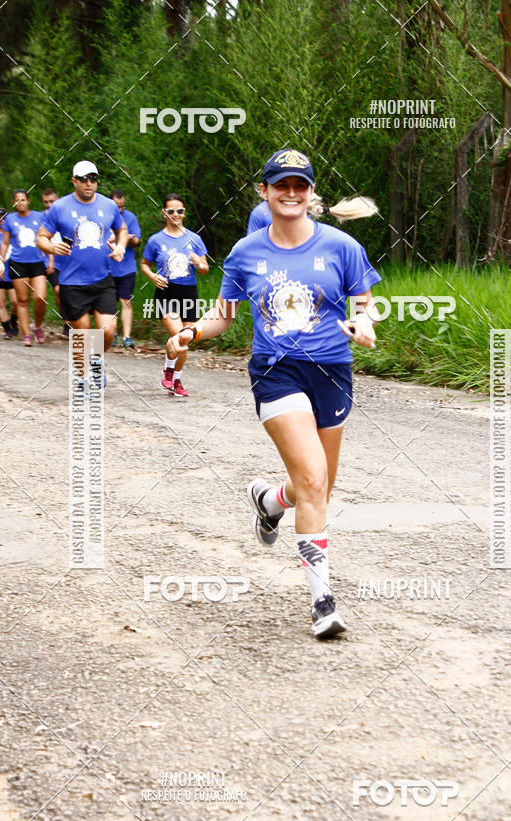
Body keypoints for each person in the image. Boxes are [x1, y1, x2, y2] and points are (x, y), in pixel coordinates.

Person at [167, 149, 381, 639]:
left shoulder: (342, 246)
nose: (290, 193)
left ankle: (270, 500)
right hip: (275, 371)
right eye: (280, 185)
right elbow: (224, 315)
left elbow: (364, 301)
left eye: (299, 185)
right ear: (264, 191)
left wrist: (365, 324)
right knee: (312, 476)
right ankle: (322, 600)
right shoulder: (245, 253)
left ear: (310, 193)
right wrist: (190, 334)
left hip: (332, 371)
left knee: (317, 488)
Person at [36, 160, 127, 394]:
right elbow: (41, 237)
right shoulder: (60, 207)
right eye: (84, 179)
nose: (89, 183)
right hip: (72, 282)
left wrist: (120, 247)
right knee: (82, 334)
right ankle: (81, 378)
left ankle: (96, 361)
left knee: (107, 330)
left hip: (103, 279)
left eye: (93, 178)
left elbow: (122, 230)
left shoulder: (108, 206)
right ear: (74, 181)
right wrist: (52, 248)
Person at [140, 193, 208, 398]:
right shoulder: (155, 240)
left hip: (189, 292)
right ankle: (170, 371)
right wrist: (152, 277)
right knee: (179, 336)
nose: (176, 214)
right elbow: (144, 264)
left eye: (180, 211)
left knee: (185, 341)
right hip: (166, 292)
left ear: (184, 213)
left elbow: (205, 269)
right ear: (164, 213)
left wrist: (199, 263)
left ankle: (175, 377)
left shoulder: (194, 239)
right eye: (171, 211)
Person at [0, 190, 47, 346]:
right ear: (14, 202)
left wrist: (50, 258)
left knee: (40, 297)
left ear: (28, 201)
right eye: (17, 200)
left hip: (37, 262)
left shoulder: (39, 216)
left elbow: (46, 237)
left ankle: (37, 326)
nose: (20, 203)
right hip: (17, 264)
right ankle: (27, 334)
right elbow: (5, 243)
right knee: (22, 300)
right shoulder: (10, 220)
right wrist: (0, 263)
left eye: (23, 200)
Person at [109, 190, 141, 348]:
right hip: (107, 267)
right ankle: (111, 333)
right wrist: (119, 237)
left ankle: (127, 337)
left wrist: (131, 239)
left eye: (122, 206)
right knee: (109, 304)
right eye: (117, 207)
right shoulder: (103, 217)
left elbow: (137, 241)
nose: (120, 210)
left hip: (127, 267)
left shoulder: (131, 217)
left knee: (126, 301)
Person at [41, 187, 69, 337]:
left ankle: (77, 321)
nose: (49, 205)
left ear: (58, 200)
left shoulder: (68, 212)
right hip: (52, 261)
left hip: (70, 260)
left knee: (72, 292)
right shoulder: (42, 217)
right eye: (46, 202)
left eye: (52, 201)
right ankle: (66, 322)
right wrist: (50, 260)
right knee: (58, 290)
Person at [0, 208, 18, 339]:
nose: (2, 220)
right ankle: (7, 330)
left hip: (13, 271)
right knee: (0, 303)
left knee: (16, 301)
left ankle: (13, 321)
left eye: (4, 217)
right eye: (0, 218)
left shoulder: (12, 234)